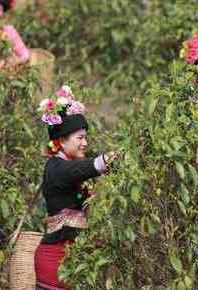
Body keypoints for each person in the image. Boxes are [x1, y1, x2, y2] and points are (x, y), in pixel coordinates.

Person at [34, 85, 117, 290]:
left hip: (72, 260)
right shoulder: (58, 168)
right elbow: (87, 167)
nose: (85, 143)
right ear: (61, 140)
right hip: (56, 262)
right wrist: (116, 157)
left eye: (85, 137)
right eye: (79, 138)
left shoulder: (65, 167)